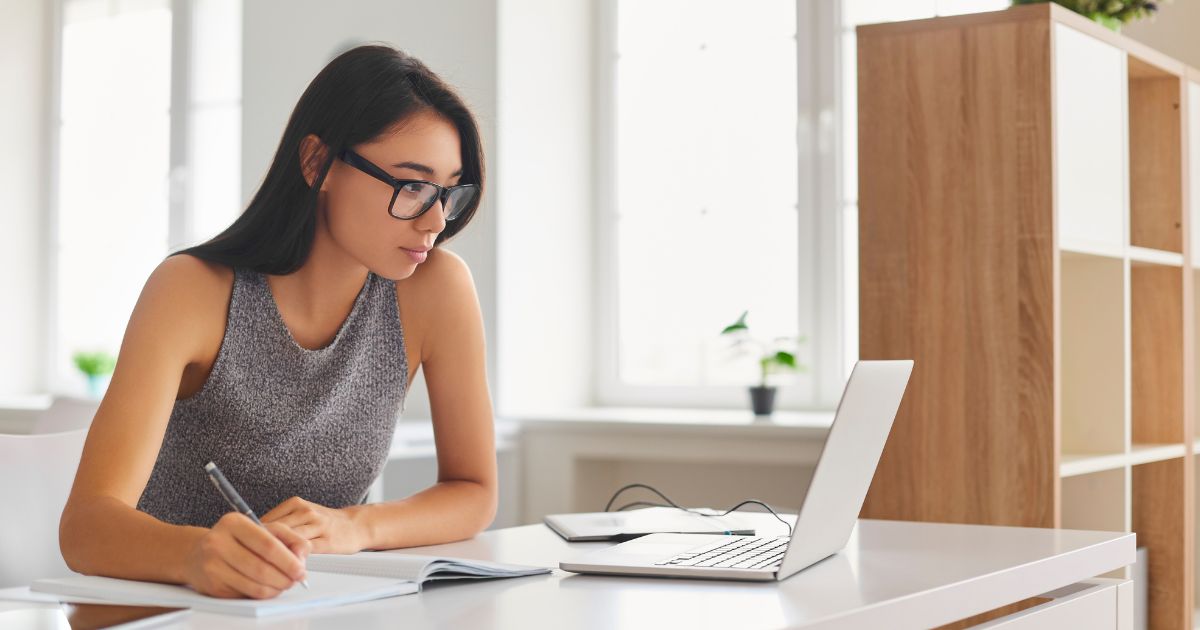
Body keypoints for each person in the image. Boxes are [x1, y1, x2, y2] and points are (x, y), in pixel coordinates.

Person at [58, 44, 497, 599]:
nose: (435, 220)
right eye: (411, 185)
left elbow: (473, 490)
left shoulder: (436, 289)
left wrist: (355, 526)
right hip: (162, 610)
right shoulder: (192, 291)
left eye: (447, 192)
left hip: (308, 606)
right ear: (318, 162)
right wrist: (197, 554)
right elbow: (85, 528)